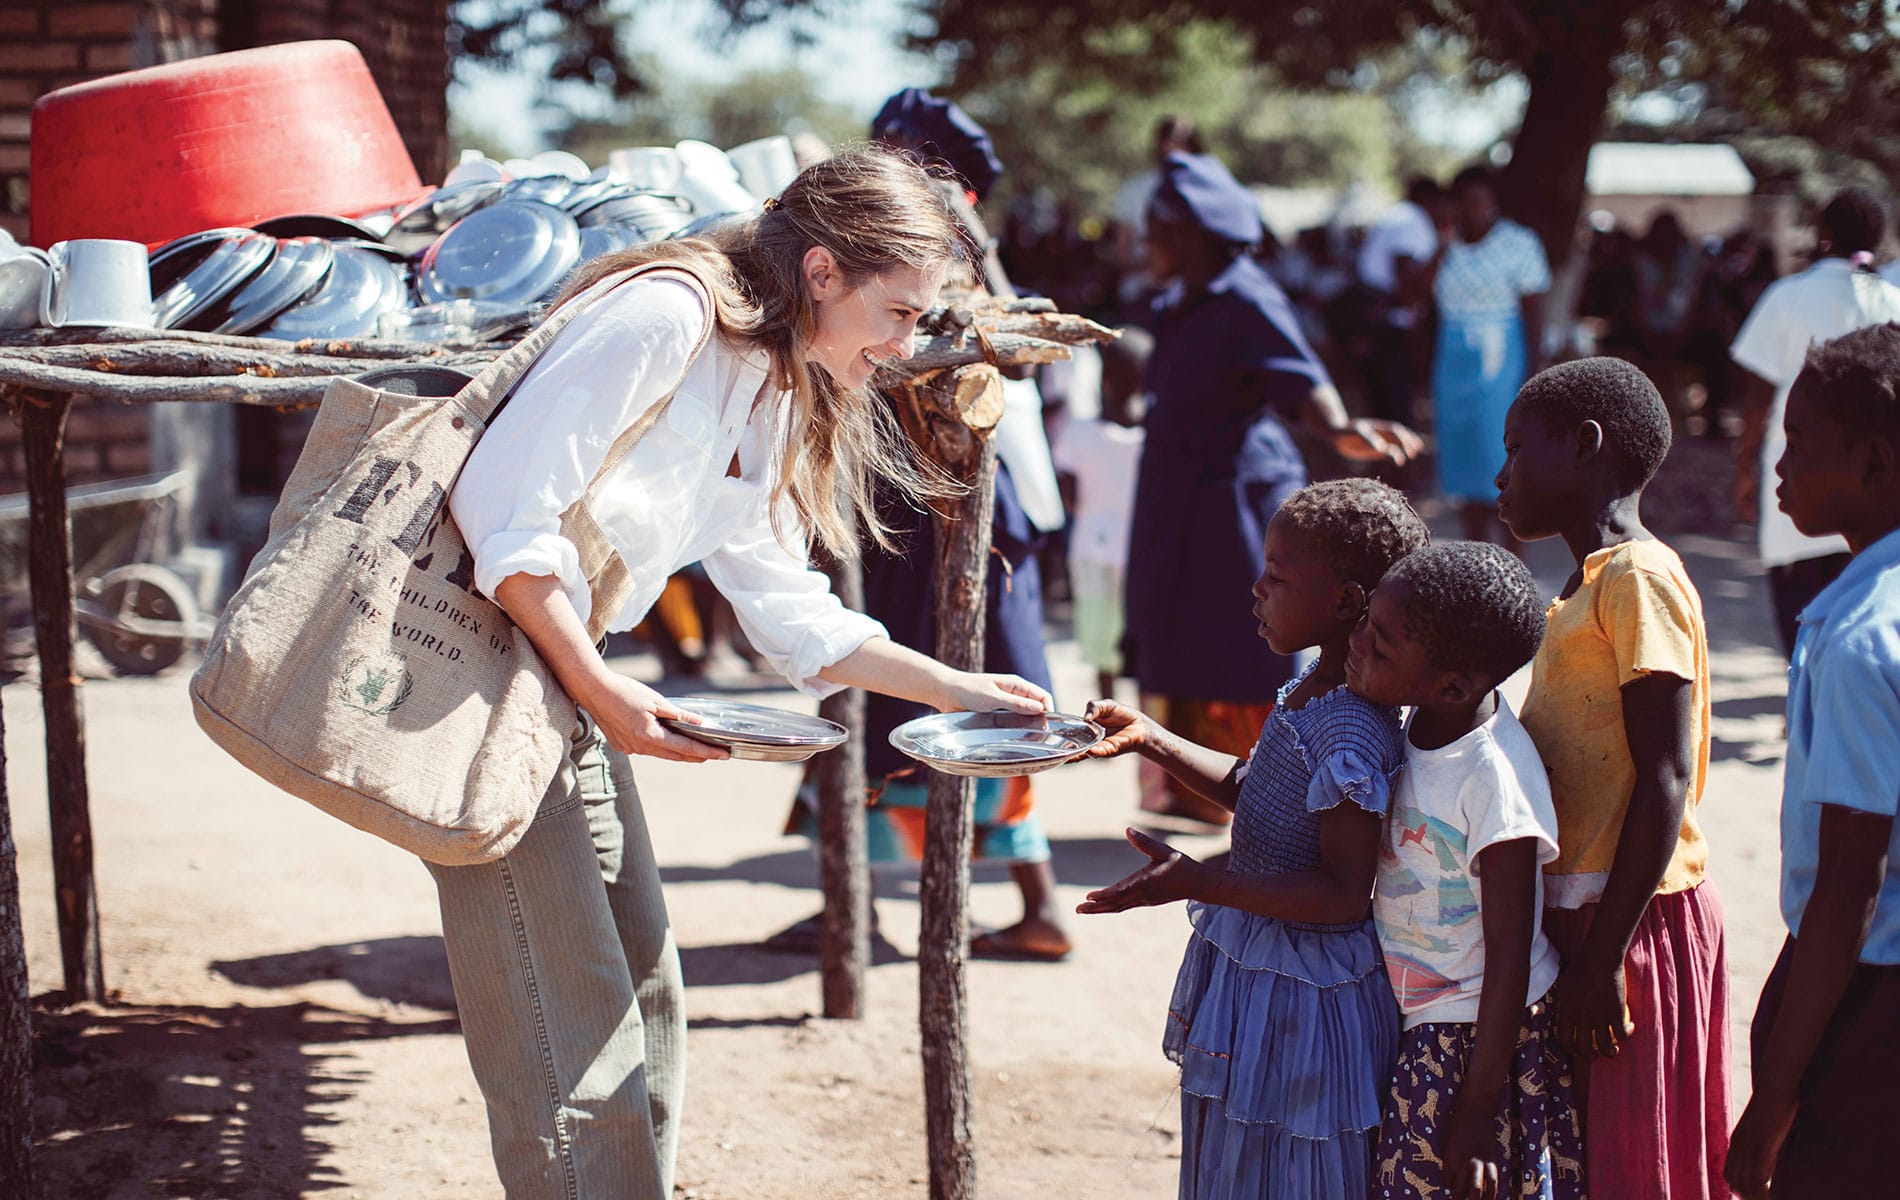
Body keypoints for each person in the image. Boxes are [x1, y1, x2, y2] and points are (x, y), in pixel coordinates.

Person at [440, 147, 1052, 1197]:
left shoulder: (768, 380)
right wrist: (599, 687)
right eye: (901, 313)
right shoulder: (666, 319)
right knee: (571, 1030)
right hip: (488, 685)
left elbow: (789, 610)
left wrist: (960, 690)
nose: (910, 344)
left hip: (562, 690)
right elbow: (501, 517)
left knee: (645, 997)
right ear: (822, 273)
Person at [1076, 478, 1430, 1199]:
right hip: (1263, 967)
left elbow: (1340, 896)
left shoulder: (1350, 733)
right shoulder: (1312, 688)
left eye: (1277, 576)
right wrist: (1154, 740)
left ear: (1345, 601)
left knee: (1288, 1168)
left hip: (1307, 994)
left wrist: (1202, 882)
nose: (1256, 589)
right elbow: (1260, 789)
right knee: (1242, 1157)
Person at [1123, 150, 1421, 826]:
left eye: (1160, 231)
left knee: (1245, 634)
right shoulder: (1180, 300)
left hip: (1234, 499)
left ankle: (1274, 780)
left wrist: (1341, 428)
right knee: (1177, 631)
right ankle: (1196, 789)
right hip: (1179, 496)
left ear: (1193, 234)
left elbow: (1299, 372)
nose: (1149, 245)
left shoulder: (1245, 294)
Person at [1497, 357, 1732, 1199]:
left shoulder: (1638, 577)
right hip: (1592, 916)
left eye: (1518, 449)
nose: (1500, 475)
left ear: (1585, 447)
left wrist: (1601, 963)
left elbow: (1665, 776)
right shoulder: (1584, 585)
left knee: (1635, 1162)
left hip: (1633, 925)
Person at [1349, 542, 1585, 1200]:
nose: (1359, 644)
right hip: (1421, 1013)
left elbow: (1510, 955)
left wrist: (1479, 1111)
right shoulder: (1411, 719)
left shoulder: (1493, 783)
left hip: (1472, 1034)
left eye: (1382, 644)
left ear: (1452, 685)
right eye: (1366, 623)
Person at [1726, 324, 1900, 1199]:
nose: (1779, 467)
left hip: (1868, 999)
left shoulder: (1860, 639)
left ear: (1873, 465)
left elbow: (1845, 889)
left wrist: (1774, 1095)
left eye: (1798, 444)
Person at [1728, 187, 1900, 656]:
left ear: (1822, 235)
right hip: (1879, 486)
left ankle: (1806, 699)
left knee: (1800, 606)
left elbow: (1759, 393)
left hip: (1804, 468)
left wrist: (1747, 466)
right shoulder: (1892, 299)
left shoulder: (1788, 295)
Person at [1417, 164, 1551, 547]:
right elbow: (1414, 295)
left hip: (1502, 357)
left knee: (1503, 453)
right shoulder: (1444, 245)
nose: (1475, 209)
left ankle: (1514, 558)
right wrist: (1442, 245)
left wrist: (1533, 370)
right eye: (1466, 201)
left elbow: (1534, 310)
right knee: (1462, 459)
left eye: (1482, 200)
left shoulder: (1519, 242)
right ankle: (1477, 553)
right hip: (1453, 357)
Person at [1052, 328, 1150, 698]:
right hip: (1140, 551)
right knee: (1139, 637)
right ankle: (1145, 721)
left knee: (1099, 638)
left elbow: (1069, 497)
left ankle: (1108, 714)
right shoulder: (1155, 438)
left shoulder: (1078, 435)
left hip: (1091, 548)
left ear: (1103, 378)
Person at [1354, 176, 1443, 424]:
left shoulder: (1398, 215)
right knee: (1395, 406)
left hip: (1376, 316)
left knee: (1383, 404)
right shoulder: (1411, 220)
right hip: (1388, 324)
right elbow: (1404, 273)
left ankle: (1384, 459)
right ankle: (1393, 460)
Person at [1112, 115, 1205, 315]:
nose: (1181, 147)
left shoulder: (1204, 190)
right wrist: (1156, 263)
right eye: (1175, 141)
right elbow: (1122, 257)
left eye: (1188, 142)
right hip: (1142, 295)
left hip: (1190, 296)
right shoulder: (1134, 190)